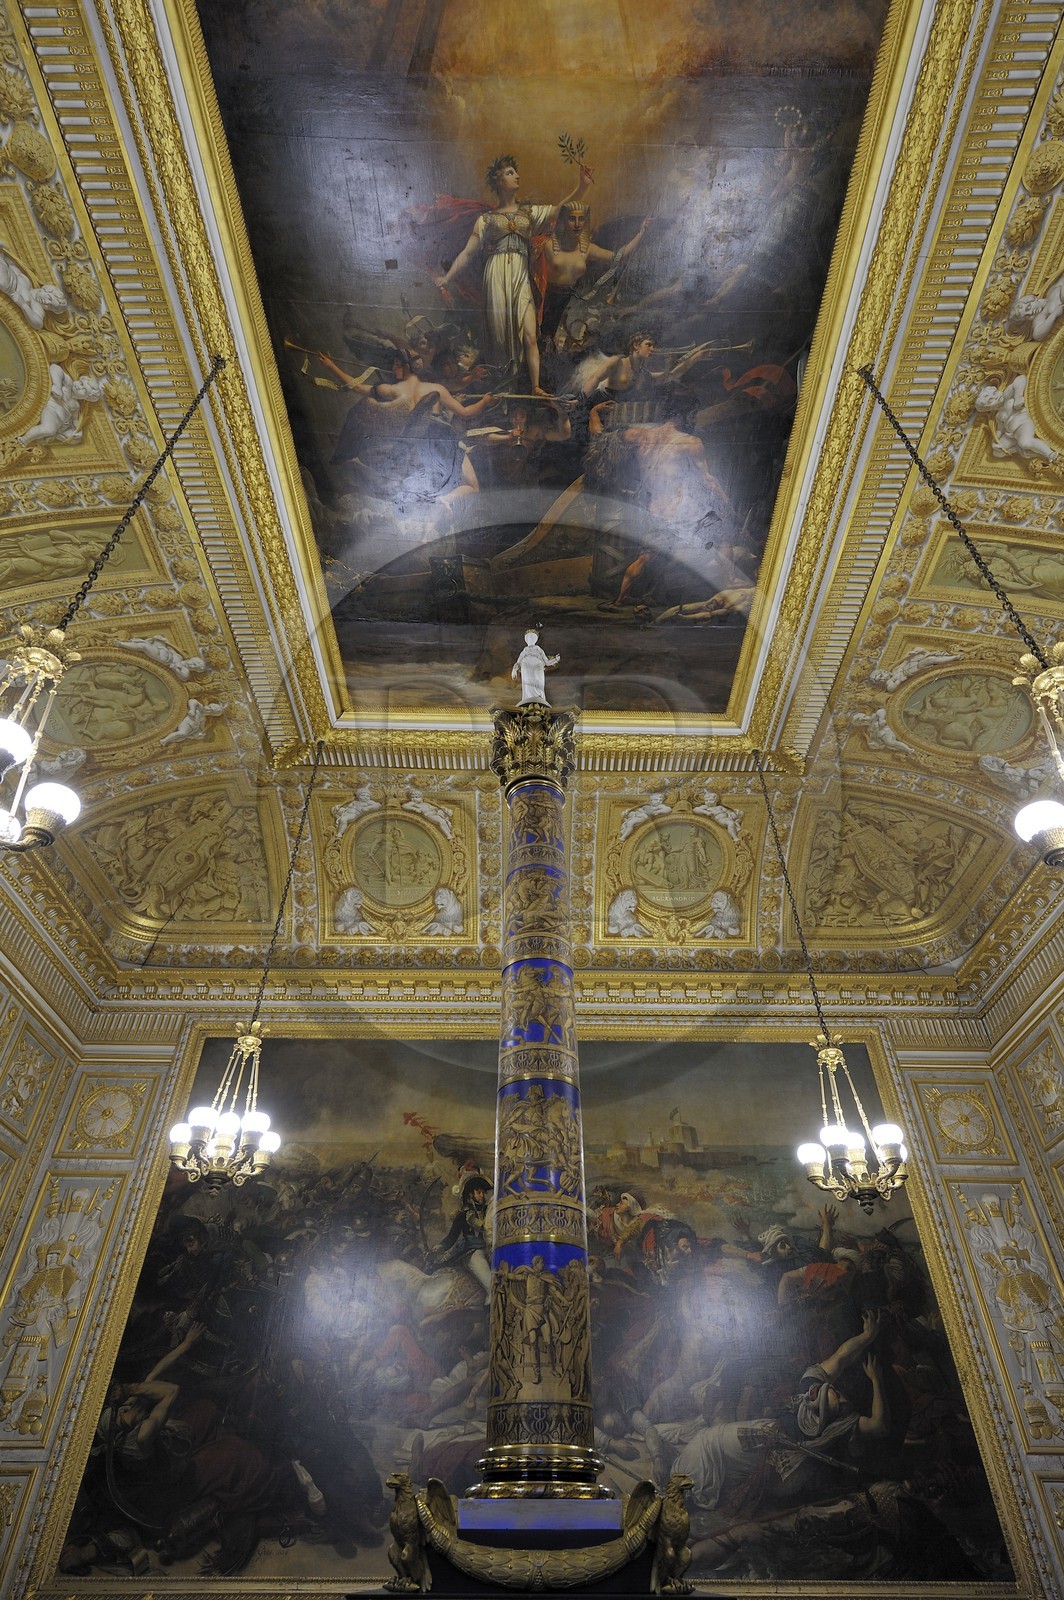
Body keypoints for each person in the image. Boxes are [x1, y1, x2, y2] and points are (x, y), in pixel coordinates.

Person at [435, 153, 593, 394]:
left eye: (515, 172)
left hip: (520, 276)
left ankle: (535, 386)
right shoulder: (485, 220)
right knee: (499, 338)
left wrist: (581, 186)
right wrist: (446, 278)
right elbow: (467, 254)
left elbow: (559, 210)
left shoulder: (528, 213)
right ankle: (502, 389)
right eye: (510, 173)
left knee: (530, 334)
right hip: (496, 278)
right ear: (498, 181)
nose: (516, 176)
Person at [512, 629, 560, 704]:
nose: (531, 639)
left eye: (533, 637)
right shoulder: (525, 650)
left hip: (538, 665)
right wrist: (514, 670)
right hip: (526, 665)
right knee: (527, 681)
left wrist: (555, 659)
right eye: (529, 637)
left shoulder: (538, 649)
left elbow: (547, 662)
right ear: (526, 640)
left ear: (535, 640)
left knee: (538, 680)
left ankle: (539, 698)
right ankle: (528, 698)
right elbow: (518, 662)